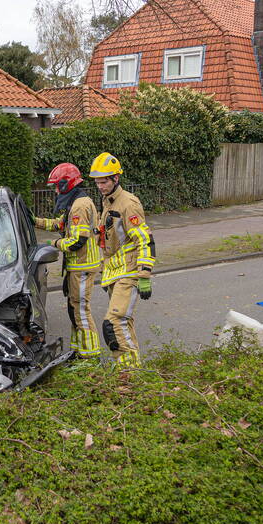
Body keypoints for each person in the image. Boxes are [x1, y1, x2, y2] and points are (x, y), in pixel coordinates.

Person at [89, 153, 155, 368]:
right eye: (97, 182)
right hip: (115, 273)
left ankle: (128, 372)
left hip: (130, 271)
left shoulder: (128, 203)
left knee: (114, 323)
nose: (100, 186)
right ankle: (133, 369)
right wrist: (105, 274)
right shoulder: (108, 201)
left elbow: (144, 239)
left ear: (116, 178)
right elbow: (109, 242)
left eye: (104, 181)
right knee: (124, 323)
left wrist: (144, 274)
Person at [33, 163, 102, 360]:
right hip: (78, 265)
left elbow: (77, 241)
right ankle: (79, 351)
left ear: (66, 184)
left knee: (80, 310)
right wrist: (34, 221)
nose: (56, 190)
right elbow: (59, 224)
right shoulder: (75, 201)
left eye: (57, 186)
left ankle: (91, 356)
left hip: (83, 266)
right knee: (74, 309)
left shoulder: (80, 206)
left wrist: (52, 243)